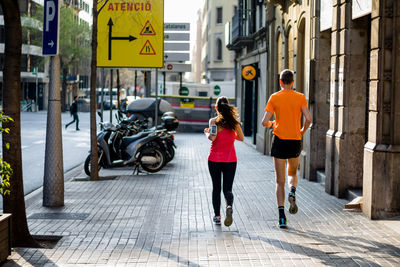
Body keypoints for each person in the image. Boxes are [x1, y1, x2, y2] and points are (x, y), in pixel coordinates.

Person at [261, 69, 312, 228]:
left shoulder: (274, 97)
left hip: (280, 141)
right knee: (292, 173)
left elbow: (264, 122)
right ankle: (293, 192)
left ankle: (282, 217)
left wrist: (273, 124)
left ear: (281, 82)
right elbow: (309, 118)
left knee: (279, 181)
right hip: (295, 141)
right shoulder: (300, 97)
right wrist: (302, 130)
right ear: (293, 82)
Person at [204, 96, 244, 226]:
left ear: (216, 107)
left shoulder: (213, 121)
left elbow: (213, 138)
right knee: (227, 188)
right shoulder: (234, 122)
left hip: (214, 159)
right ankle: (229, 206)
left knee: (216, 187)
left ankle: (217, 216)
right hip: (230, 160)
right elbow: (241, 138)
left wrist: (207, 133)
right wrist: (231, 135)